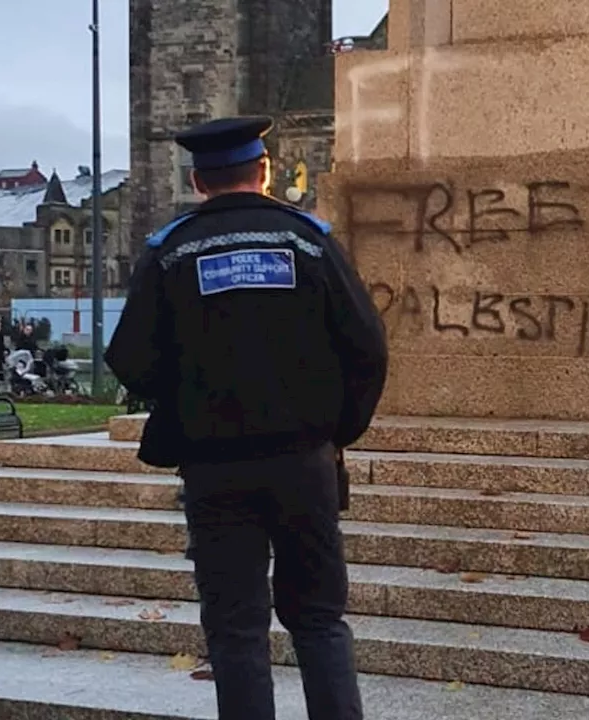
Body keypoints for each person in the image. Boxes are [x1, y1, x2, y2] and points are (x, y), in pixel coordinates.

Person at [106, 115, 388, 720]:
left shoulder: (171, 250)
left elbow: (129, 355)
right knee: (318, 620)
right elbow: (367, 346)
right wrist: (338, 428)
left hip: (214, 469)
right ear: (264, 172)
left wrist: (188, 399)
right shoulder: (310, 241)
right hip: (303, 463)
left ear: (196, 180)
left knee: (235, 628)